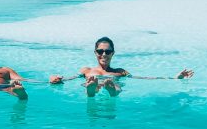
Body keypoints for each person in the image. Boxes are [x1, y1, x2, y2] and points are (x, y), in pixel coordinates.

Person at [49, 36, 194, 97]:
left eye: (108, 51)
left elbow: (144, 78)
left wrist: (175, 78)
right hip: (92, 82)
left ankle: (109, 89)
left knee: (113, 84)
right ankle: (92, 90)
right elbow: (68, 79)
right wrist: (57, 79)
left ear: (113, 54)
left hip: (112, 83)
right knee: (91, 83)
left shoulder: (120, 72)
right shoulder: (87, 70)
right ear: (95, 53)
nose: (104, 54)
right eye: (100, 51)